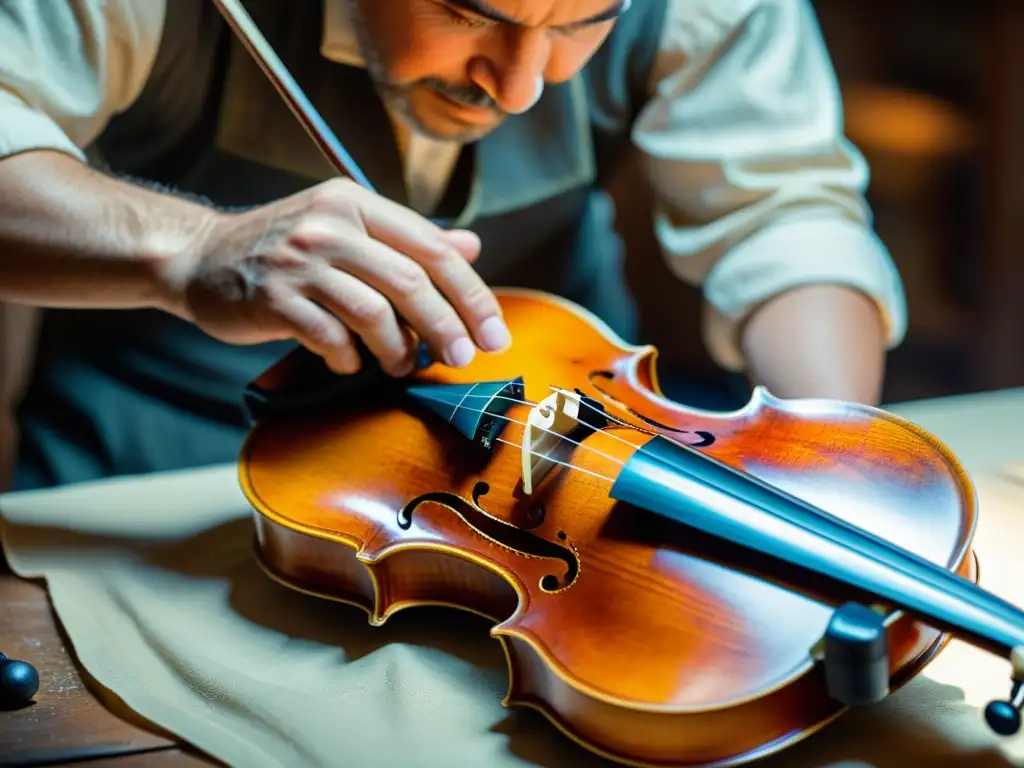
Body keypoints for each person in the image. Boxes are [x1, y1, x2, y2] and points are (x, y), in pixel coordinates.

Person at [0, 0, 906, 491]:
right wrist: (196, 250)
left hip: (551, 489)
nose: (518, 88)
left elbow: (786, 218)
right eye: (471, 12)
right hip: (145, 492)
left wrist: (820, 466)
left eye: (579, 24)